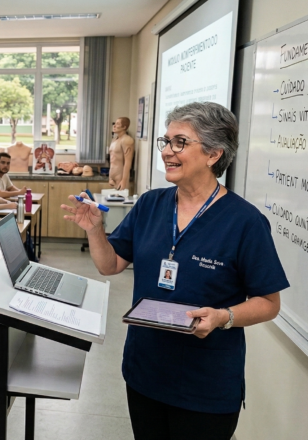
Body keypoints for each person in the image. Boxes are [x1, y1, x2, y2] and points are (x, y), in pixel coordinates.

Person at [61, 102, 289, 440]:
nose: (167, 151)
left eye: (180, 142)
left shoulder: (245, 222)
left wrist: (223, 317)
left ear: (213, 154)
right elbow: (110, 265)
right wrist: (95, 230)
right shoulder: (150, 204)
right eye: (166, 141)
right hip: (145, 372)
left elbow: (269, 303)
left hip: (205, 384)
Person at [109, 117, 135, 191]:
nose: (114, 126)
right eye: (114, 123)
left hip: (120, 176)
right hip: (112, 177)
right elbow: (112, 160)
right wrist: (110, 178)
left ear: (124, 127)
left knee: (120, 197)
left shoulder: (127, 140)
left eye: (117, 124)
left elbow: (128, 162)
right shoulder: (115, 140)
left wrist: (124, 180)